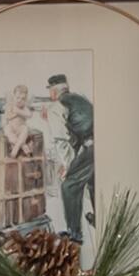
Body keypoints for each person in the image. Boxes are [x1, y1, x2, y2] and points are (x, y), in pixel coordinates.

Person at [47, 73, 95, 245]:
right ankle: (98, 217)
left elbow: (61, 141)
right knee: (91, 179)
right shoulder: (79, 99)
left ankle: (74, 234)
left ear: (53, 92)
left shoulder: (56, 106)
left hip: (91, 148)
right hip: (100, 146)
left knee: (69, 186)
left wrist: (68, 166)